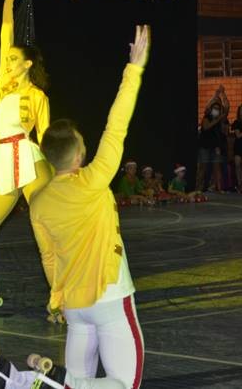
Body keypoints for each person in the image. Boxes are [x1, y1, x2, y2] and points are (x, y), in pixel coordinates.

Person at [20, 24, 149, 389]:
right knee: (122, 384)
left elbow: (48, 258)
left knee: (75, 378)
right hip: (109, 297)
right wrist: (134, 68)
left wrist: (56, 299)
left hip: (74, 308)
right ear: (79, 154)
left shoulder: (38, 203)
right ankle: (63, 383)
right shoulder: (94, 180)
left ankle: (64, 382)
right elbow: (116, 126)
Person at [0, 0, 53, 315]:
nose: (8, 61)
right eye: (7, 59)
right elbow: (5, 34)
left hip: (30, 160)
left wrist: (61, 170)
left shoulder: (37, 96)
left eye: (14, 58)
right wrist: (7, 3)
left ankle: (60, 296)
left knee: (44, 232)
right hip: (3, 161)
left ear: (28, 63)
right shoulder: (2, 82)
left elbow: (46, 138)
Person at [196, 89, 229, 192]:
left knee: (217, 167)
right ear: (211, 109)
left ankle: (218, 188)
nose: (216, 110)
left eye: (218, 109)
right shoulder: (207, 117)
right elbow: (206, 127)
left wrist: (223, 94)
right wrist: (215, 95)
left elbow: (227, 108)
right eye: (214, 108)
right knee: (203, 168)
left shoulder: (220, 118)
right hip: (204, 146)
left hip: (214, 146)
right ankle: (198, 189)